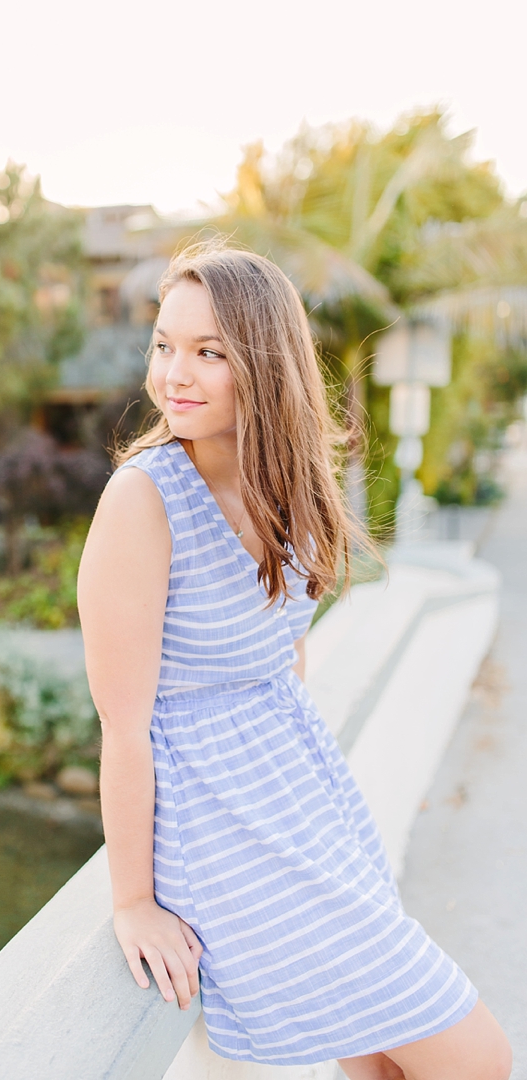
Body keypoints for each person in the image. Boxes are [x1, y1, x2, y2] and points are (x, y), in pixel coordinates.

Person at [77, 242, 512, 1080]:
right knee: (477, 1060)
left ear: (266, 364)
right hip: (222, 832)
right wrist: (133, 902)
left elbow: (286, 663)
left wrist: (319, 815)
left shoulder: (289, 487)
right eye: (165, 345)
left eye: (210, 352)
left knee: (380, 1064)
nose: (176, 372)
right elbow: (125, 727)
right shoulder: (143, 500)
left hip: (306, 808)